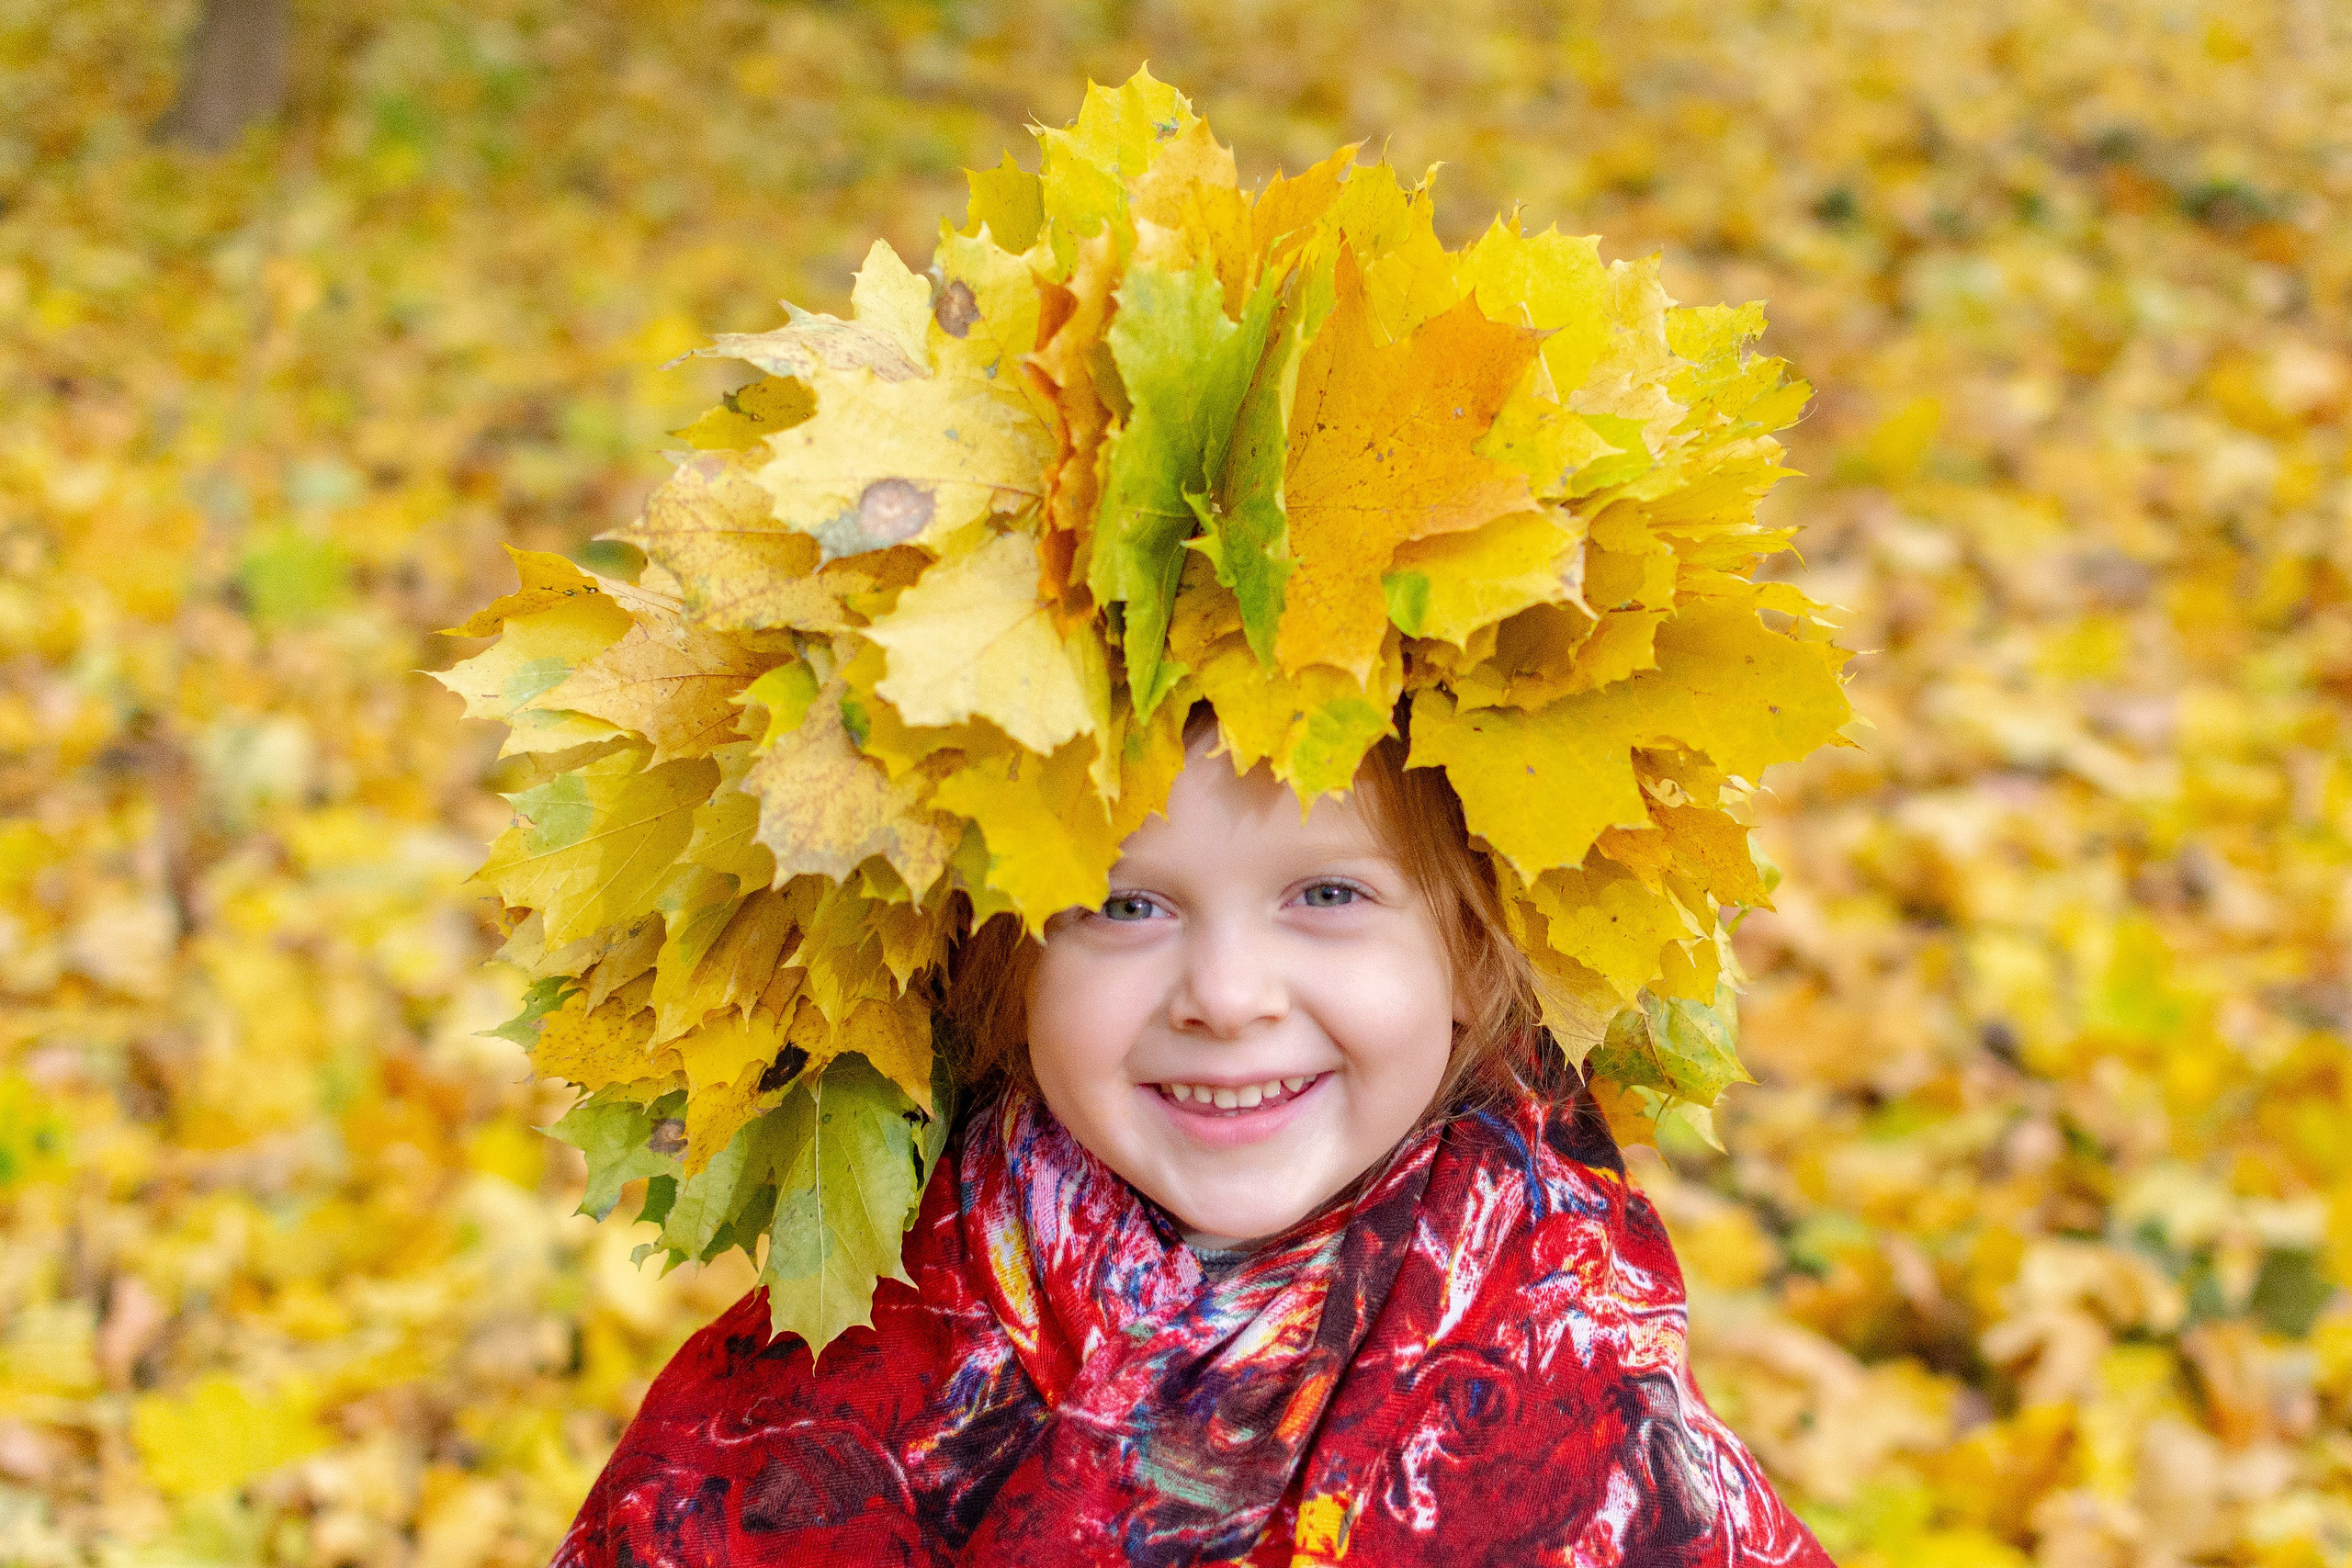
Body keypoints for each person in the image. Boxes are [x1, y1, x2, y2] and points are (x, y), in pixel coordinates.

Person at [548, 705, 1835, 1565]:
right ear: (1001, 964)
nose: (1227, 997)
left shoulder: (1575, 1371)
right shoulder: (827, 1392)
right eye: (1124, 906)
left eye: (1326, 893)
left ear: (1470, 948)